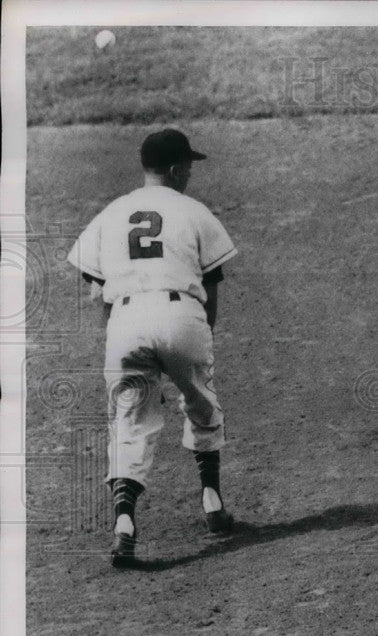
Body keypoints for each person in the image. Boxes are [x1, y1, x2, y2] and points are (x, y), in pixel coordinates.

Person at [67, 128, 237, 568]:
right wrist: (198, 345)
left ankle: (124, 523)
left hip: (124, 320)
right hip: (181, 314)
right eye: (190, 168)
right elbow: (212, 287)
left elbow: (93, 291)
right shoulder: (194, 211)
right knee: (201, 403)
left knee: (129, 420)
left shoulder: (111, 212)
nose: (191, 175)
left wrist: (119, 339)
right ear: (178, 169)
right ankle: (213, 501)